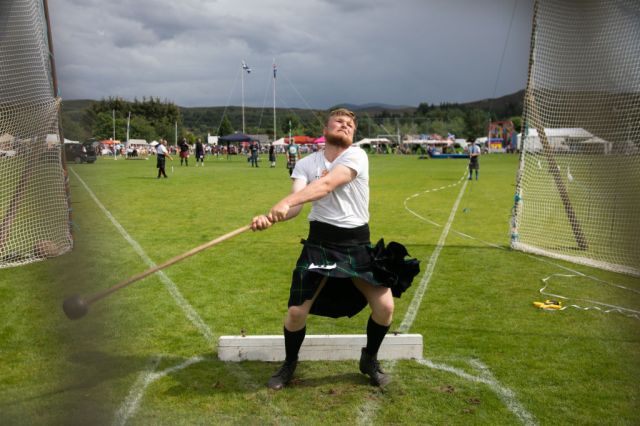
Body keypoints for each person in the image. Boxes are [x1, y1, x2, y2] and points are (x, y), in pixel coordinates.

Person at [251, 108, 420, 390]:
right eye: (339, 121)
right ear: (326, 128)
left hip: (356, 244)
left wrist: (284, 202)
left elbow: (328, 184)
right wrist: (270, 217)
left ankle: (370, 360)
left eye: (350, 125)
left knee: (385, 307)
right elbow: (295, 205)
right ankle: (290, 363)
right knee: (295, 313)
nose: (345, 126)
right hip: (319, 244)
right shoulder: (306, 163)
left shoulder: (356, 156)